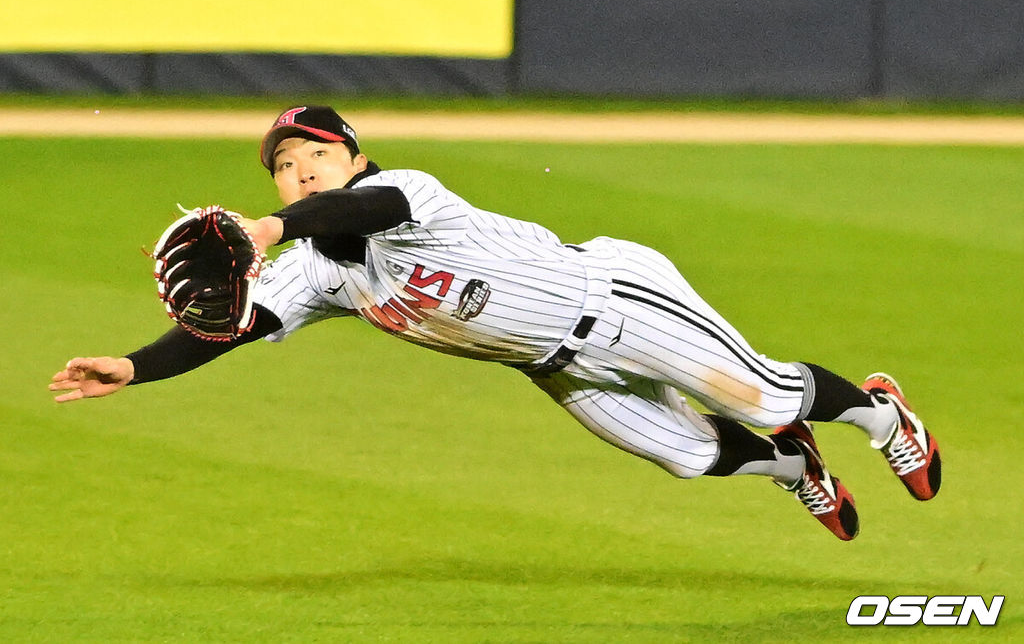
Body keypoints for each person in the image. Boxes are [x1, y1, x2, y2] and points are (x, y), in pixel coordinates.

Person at [48, 105, 941, 540]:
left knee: (768, 392)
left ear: (352, 155)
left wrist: (276, 223)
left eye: (315, 154)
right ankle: (796, 468)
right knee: (689, 453)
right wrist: (134, 366)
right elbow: (234, 323)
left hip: (617, 297)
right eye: (283, 166)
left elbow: (366, 208)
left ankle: (880, 415)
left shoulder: (407, 196)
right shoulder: (313, 269)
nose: (300, 172)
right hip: (556, 366)